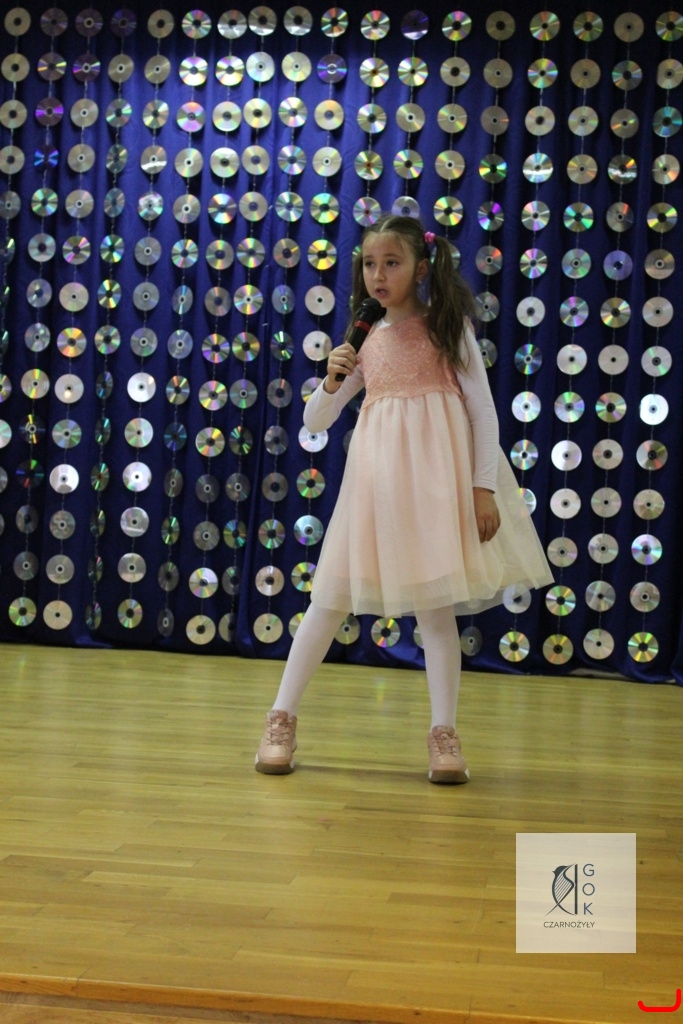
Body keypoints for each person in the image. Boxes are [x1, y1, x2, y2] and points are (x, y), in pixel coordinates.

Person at [255, 213, 553, 783]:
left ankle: (444, 734)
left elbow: (483, 412)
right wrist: (332, 379)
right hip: (378, 489)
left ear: (420, 267)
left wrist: (483, 488)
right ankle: (280, 718)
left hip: (438, 488)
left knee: (435, 610)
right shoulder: (363, 338)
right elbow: (316, 421)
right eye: (370, 263)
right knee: (328, 601)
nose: (378, 275)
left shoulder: (447, 327)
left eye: (391, 262)